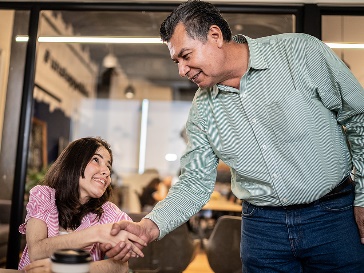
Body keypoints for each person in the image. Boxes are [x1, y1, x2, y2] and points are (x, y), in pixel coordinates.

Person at [102, 1, 364, 272]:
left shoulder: (300, 53)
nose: (181, 70)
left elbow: (359, 118)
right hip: (263, 228)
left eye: (186, 55)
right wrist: (148, 226)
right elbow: (194, 182)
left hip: (333, 216)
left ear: (215, 36)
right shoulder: (202, 110)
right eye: (176, 61)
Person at [18, 137, 146, 273]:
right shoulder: (44, 195)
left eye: (108, 166)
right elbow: (36, 252)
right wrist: (97, 233)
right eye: (96, 160)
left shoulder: (109, 212)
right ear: (74, 162)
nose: (107, 172)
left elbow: (120, 267)